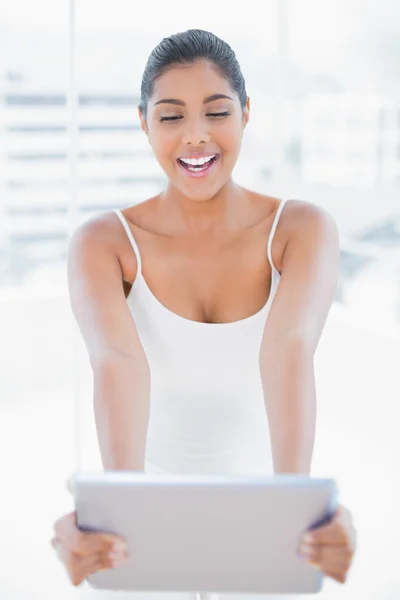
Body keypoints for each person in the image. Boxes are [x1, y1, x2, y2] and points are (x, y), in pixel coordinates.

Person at [51, 29, 357, 599]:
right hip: (152, 497)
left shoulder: (302, 229)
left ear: (246, 114)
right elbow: (117, 364)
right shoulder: (102, 241)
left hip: (263, 495)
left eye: (217, 112)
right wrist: (122, 518)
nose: (196, 135)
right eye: (170, 117)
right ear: (144, 123)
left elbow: (287, 349)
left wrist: (290, 510)